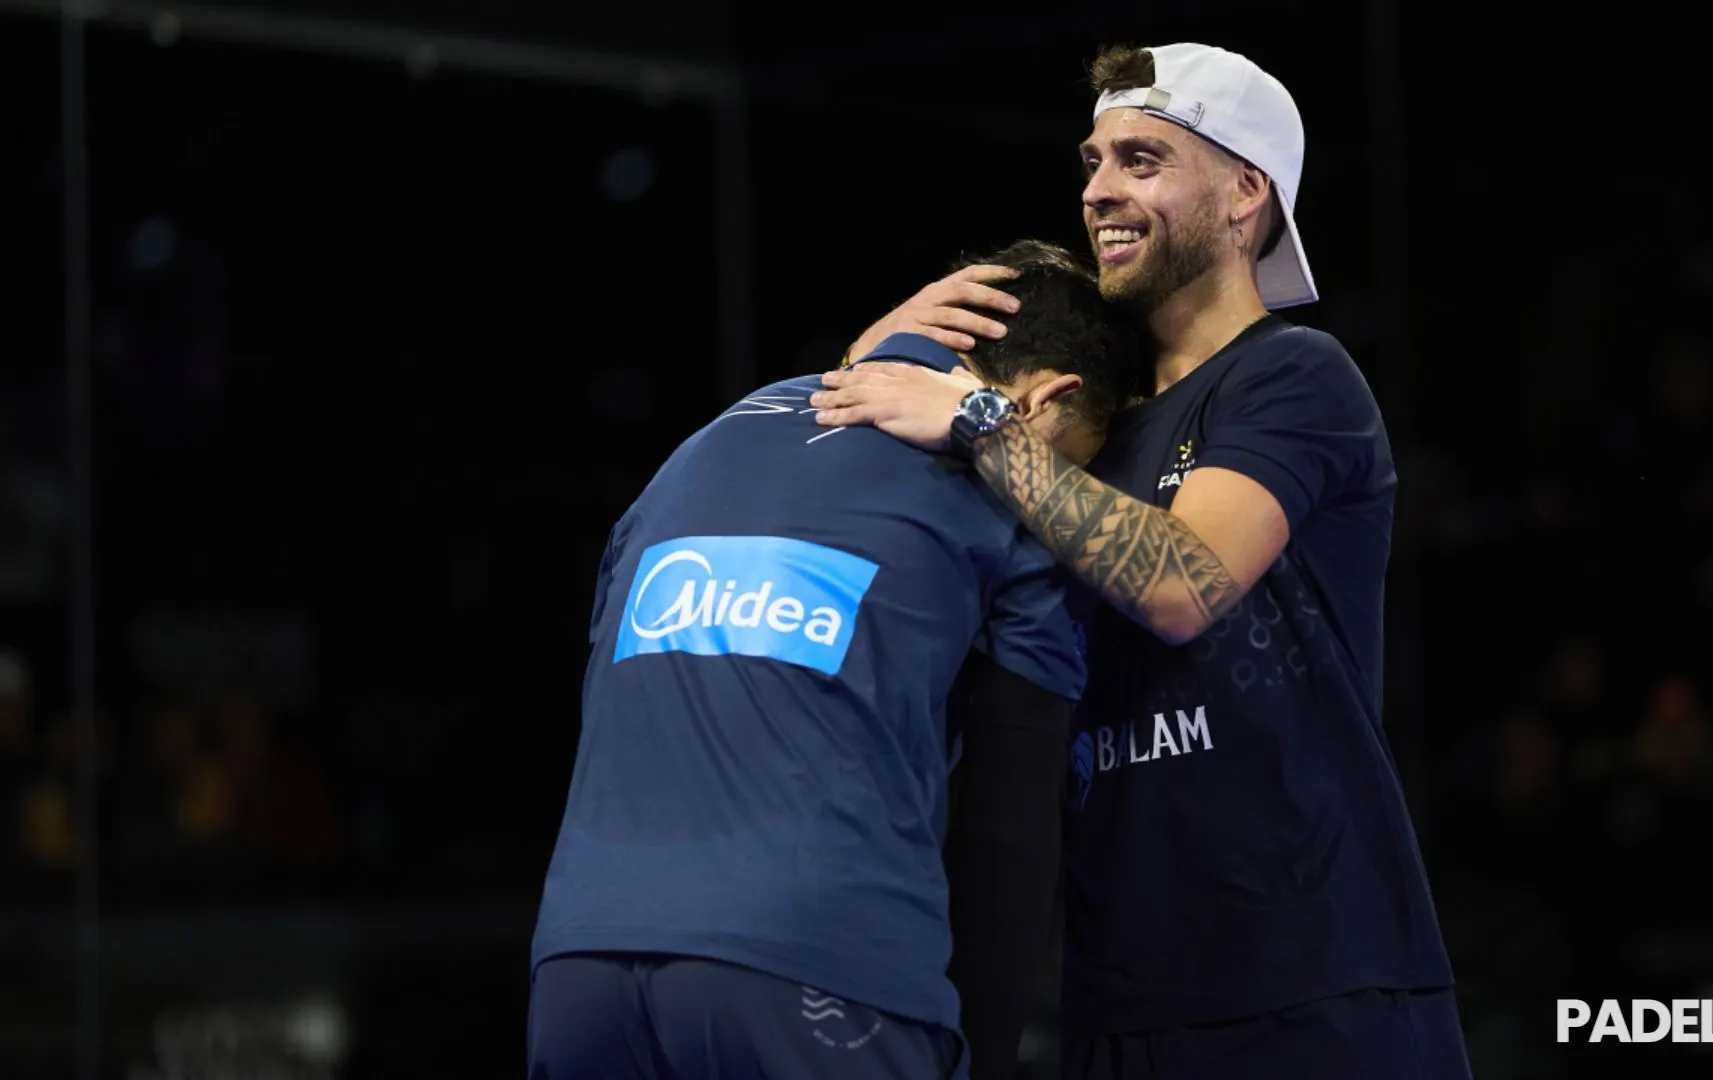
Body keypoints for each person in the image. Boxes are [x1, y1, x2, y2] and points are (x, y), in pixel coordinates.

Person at [811, 43, 1473, 1080]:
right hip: (1117, 993)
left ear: (1246, 193)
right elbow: (844, 445)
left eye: (1143, 159)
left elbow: (1180, 584)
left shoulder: (1293, 377)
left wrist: (981, 417)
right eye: (1092, 160)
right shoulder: (1079, 425)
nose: (1100, 191)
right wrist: (883, 346)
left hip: (1310, 982)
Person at [528, 239, 1145, 1080]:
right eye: (1078, 456)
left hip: (576, 971)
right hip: (821, 975)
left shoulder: (699, 448)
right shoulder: (1005, 497)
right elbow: (1009, 832)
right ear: (1046, 403)